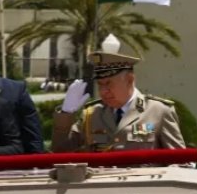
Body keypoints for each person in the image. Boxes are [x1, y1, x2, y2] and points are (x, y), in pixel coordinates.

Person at [51, 50, 185, 152]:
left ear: (129, 80)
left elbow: (179, 162)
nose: (103, 91)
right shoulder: (91, 115)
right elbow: (60, 152)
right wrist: (65, 114)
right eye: (100, 84)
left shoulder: (158, 112)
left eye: (108, 83)